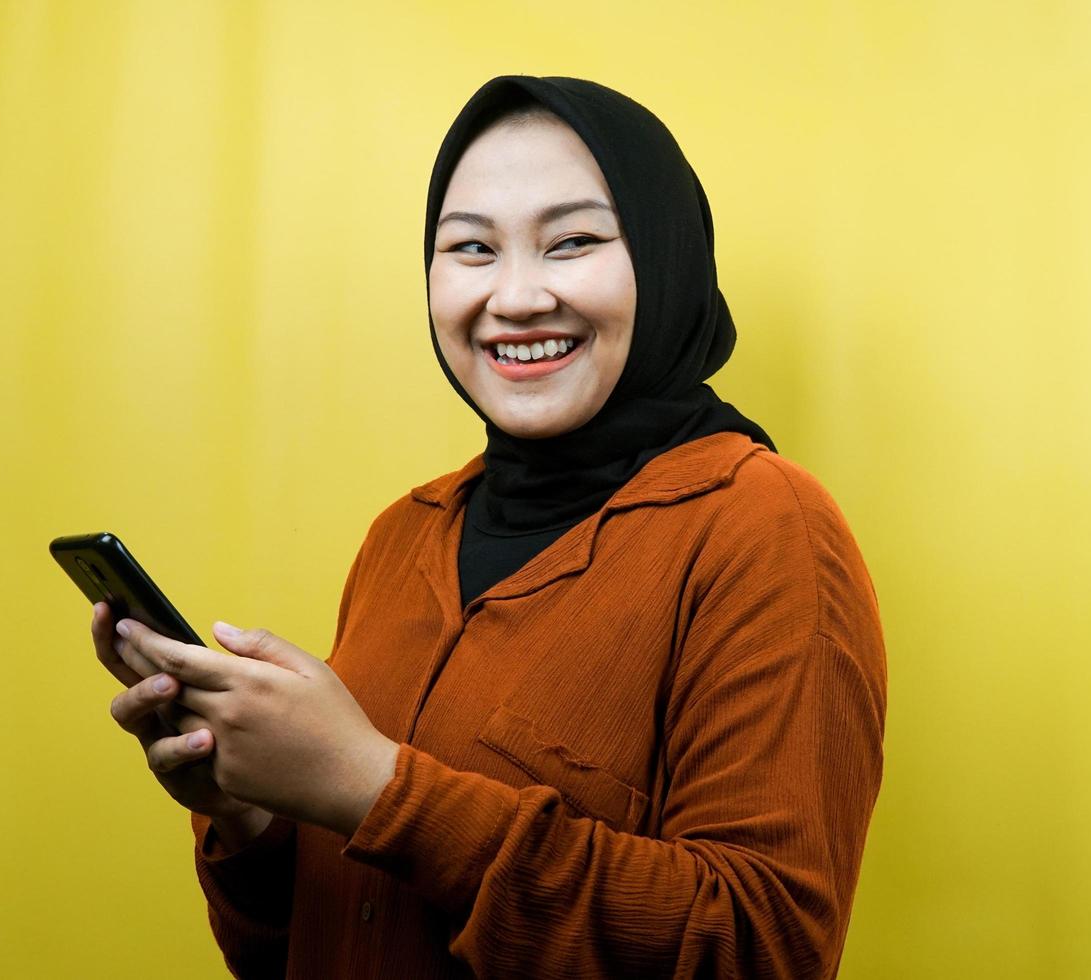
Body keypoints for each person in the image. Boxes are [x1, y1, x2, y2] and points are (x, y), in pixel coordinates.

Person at [93, 75, 887, 979]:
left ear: (667, 261)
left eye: (572, 242)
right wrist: (251, 817)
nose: (513, 298)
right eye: (471, 249)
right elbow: (309, 947)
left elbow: (763, 948)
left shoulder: (762, 527)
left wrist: (374, 786)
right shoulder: (404, 534)